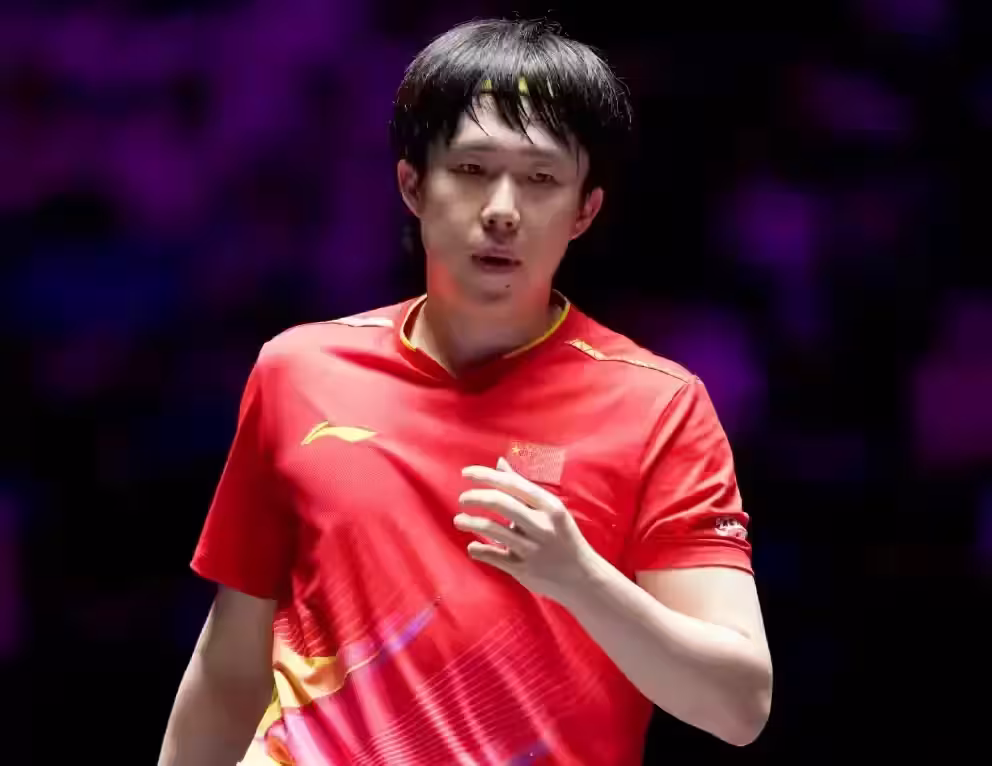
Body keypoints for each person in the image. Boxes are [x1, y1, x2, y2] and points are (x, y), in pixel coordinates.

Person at [159, 17, 772, 766]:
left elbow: (738, 706)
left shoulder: (659, 408)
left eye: (541, 179)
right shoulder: (299, 371)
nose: (502, 209)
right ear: (413, 185)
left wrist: (580, 579)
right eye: (473, 169)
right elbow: (230, 673)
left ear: (585, 210)